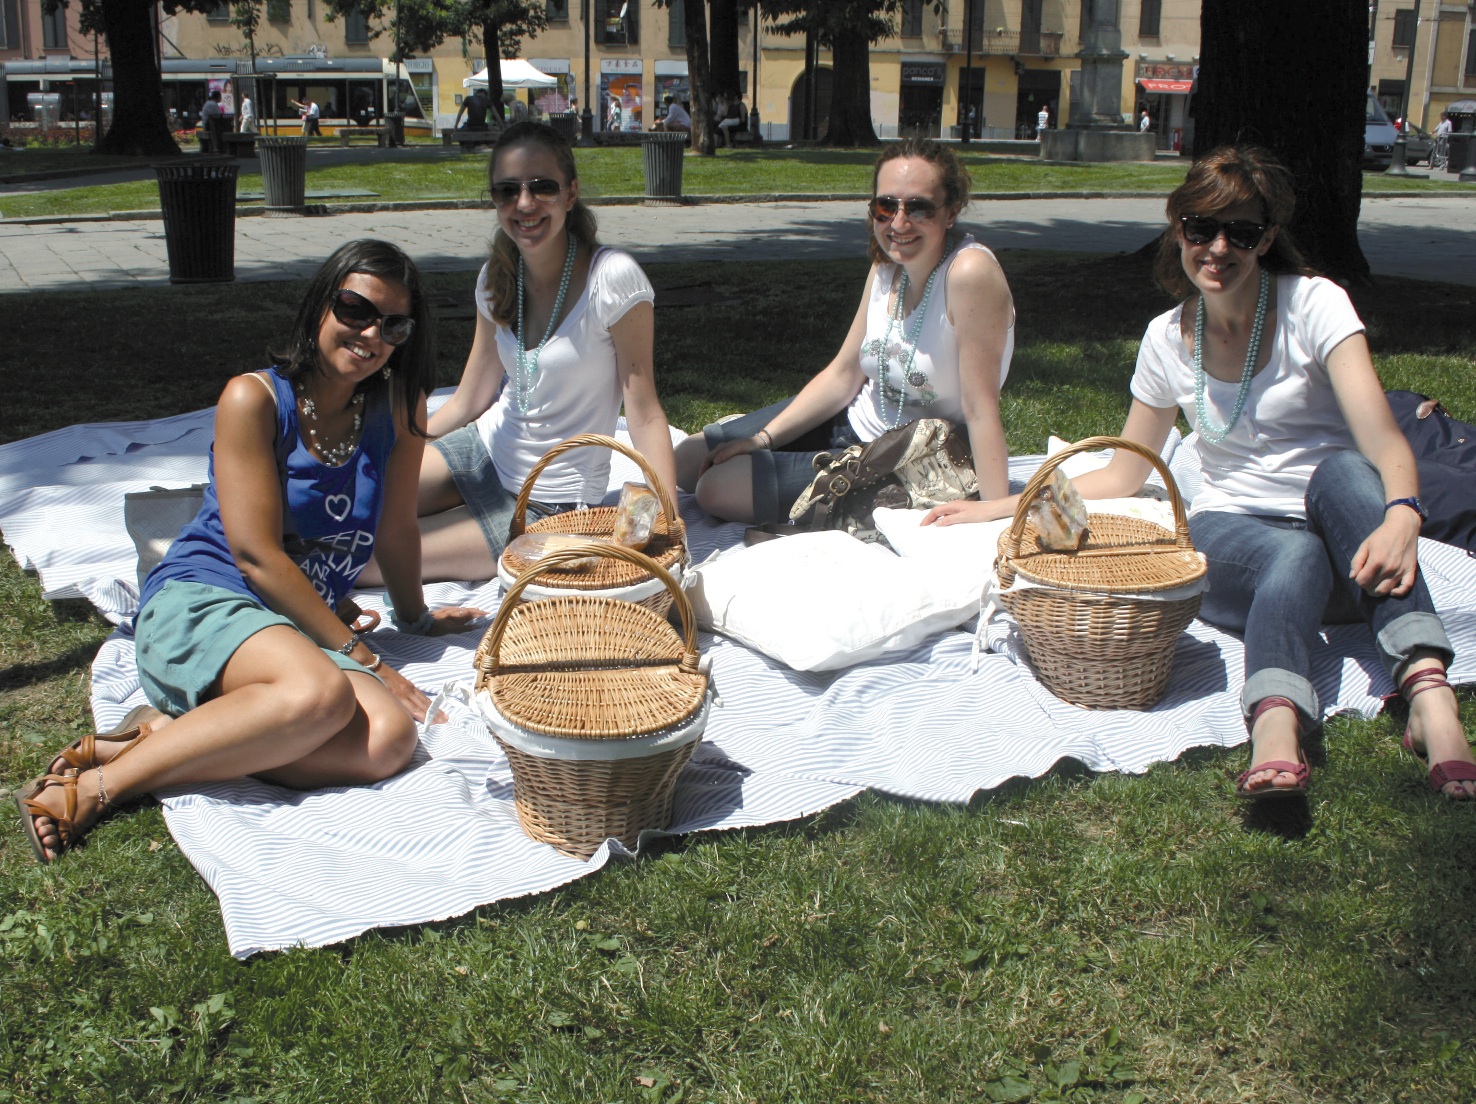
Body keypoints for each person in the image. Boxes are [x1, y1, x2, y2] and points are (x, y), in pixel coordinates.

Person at [925, 145, 1476, 803]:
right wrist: (1003, 505)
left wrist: (1402, 515)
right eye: (1200, 228)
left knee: (1342, 471)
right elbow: (1126, 472)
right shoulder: (1166, 338)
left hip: (1351, 548)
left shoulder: (1316, 306)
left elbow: (1384, 442)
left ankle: (1427, 695)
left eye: (1240, 232)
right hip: (1238, 540)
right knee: (1293, 554)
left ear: (1267, 238)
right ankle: (1276, 717)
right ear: (1177, 227)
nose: (1217, 247)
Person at [16, 240, 486, 863]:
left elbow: (398, 526)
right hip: (207, 598)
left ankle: (169, 737)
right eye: (355, 309)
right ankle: (96, 789)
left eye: (394, 324)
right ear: (321, 304)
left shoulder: (397, 404)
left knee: (389, 740)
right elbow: (257, 556)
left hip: (289, 621)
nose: (371, 334)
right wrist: (367, 659)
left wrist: (417, 618)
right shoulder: (255, 399)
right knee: (322, 697)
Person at [359, 122, 677, 584]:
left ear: (571, 193)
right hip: (482, 451)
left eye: (541, 187)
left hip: (550, 502)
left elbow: (645, 413)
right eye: (507, 190)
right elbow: (470, 400)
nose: (524, 204)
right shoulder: (495, 278)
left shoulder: (613, 279)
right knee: (348, 508)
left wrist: (669, 517)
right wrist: (397, 446)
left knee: (374, 560)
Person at [675, 136, 1014, 525]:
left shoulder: (969, 274)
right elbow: (843, 374)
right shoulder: (887, 268)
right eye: (886, 206)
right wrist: (762, 439)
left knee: (715, 489)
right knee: (685, 460)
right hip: (849, 422)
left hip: (906, 457)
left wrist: (995, 511)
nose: (898, 223)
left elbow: (981, 408)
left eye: (918, 208)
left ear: (951, 211)